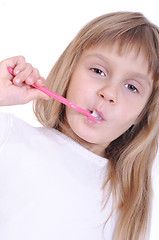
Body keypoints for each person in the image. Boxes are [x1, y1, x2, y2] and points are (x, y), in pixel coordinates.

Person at [0, 11, 159, 240]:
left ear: (142, 113)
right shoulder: (10, 139)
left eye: (132, 87)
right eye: (98, 71)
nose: (109, 93)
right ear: (70, 72)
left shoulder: (131, 201)